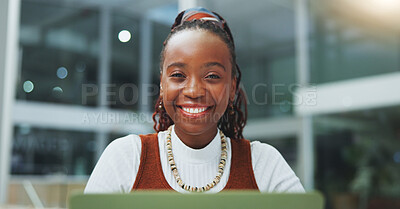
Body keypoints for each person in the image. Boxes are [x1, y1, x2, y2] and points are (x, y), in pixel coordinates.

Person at [84, 7, 304, 193]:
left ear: (231, 88)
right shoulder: (126, 158)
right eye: (178, 75)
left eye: (212, 76)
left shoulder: (263, 164)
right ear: (162, 85)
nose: (194, 90)